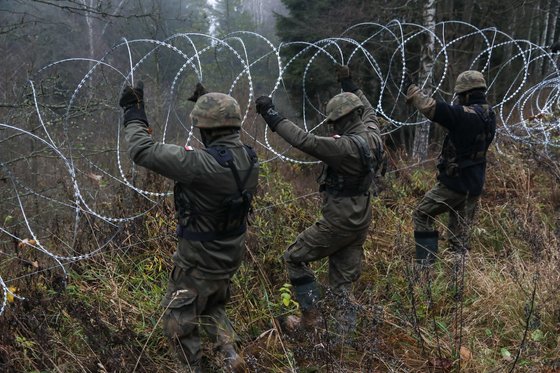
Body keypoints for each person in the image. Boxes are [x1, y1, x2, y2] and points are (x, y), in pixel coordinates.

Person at [119, 81, 259, 372]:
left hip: (198, 261)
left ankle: (194, 368)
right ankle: (232, 357)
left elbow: (141, 150)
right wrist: (209, 102)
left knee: (177, 322)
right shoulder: (248, 157)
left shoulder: (200, 165)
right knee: (212, 306)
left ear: (207, 130)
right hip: (229, 255)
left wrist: (134, 111)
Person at [255, 65, 384, 336]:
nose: (333, 127)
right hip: (361, 217)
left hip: (338, 221)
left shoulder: (343, 147)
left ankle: (310, 319)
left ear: (343, 121)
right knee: (342, 284)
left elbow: (304, 140)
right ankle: (342, 340)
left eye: (335, 122)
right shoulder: (374, 133)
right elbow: (370, 109)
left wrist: (271, 113)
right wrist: (349, 83)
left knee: (293, 257)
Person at [405, 70, 496, 265]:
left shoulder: (465, 115)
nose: (458, 100)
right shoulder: (489, 114)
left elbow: (431, 108)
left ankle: (426, 266)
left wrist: (413, 91)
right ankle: (459, 279)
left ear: (467, 95)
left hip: (454, 184)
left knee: (422, 213)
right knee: (459, 237)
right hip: (474, 185)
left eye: (460, 96)